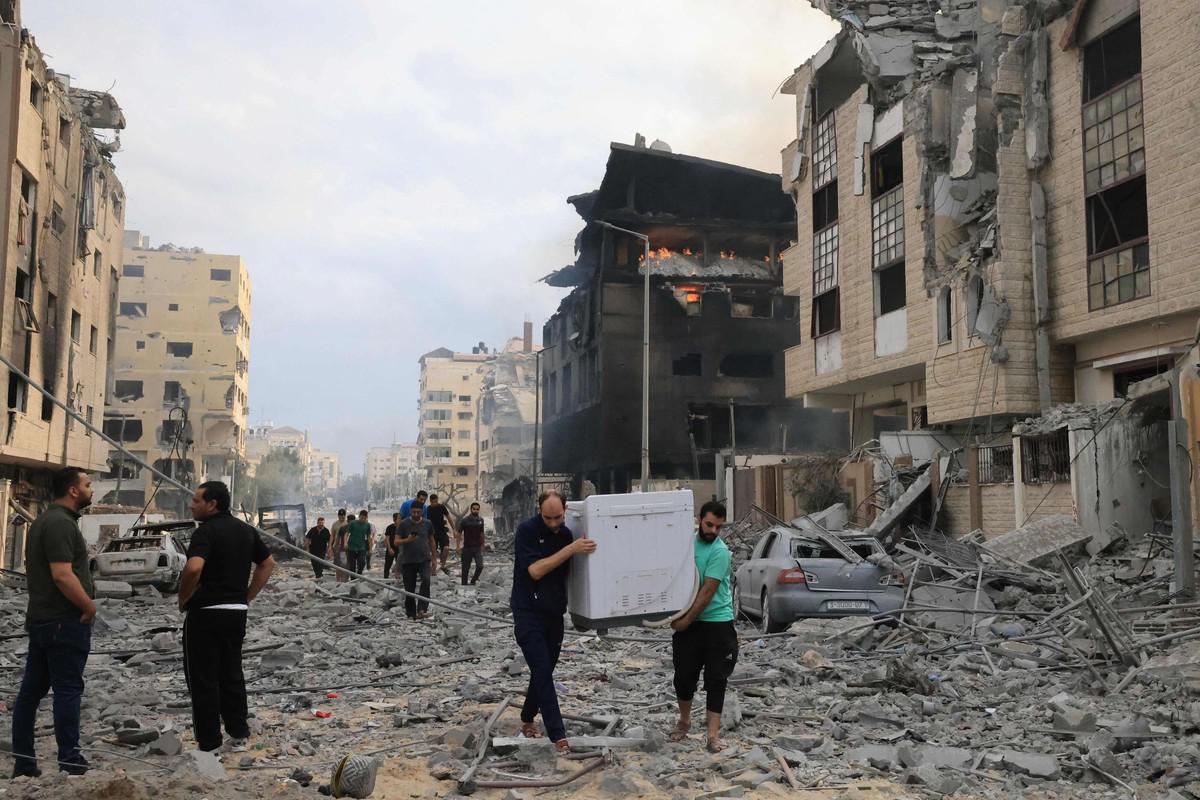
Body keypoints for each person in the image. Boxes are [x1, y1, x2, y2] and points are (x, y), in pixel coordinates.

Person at [178, 481, 275, 753]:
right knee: (231, 672)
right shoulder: (245, 530)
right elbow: (267, 563)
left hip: (206, 614)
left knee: (203, 678)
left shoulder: (205, 532)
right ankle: (238, 734)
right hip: (236, 614)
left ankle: (209, 743)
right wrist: (247, 596)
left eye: (196, 500)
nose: (191, 505)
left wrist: (183, 598)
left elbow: (193, 568)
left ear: (212, 504)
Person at [12, 467, 96, 778]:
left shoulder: (46, 521)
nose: (91, 490)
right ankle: (70, 761)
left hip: (43, 621)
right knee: (67, 689)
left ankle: (24, 763)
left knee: (30, 693)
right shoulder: (60, 523)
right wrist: (88, 606)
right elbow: (62, 574)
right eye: (87, 485)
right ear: (73, 490)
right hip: (63, 622)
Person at [511, 491, 596, 752]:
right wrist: (570, 549)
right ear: (539, 511)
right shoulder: (526, 531)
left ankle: (527, 717)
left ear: (565, 510)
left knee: (544, 670)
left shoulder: (566, 534)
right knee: (542, 671)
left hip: (554, 613)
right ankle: (558, 736)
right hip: (528, 612)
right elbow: (535, 570)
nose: (553, 523)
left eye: (558, 517)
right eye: (548, 518)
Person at [668, 501, 738, 753]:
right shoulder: (685, 544)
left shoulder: (720, 552)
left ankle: (712, 735)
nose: (713, 531)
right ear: (699, 519)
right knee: (684, 676)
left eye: (719, 527)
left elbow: (708, 591)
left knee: (716, 679)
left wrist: (685, 621)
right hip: (689, 621)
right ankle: (684, 721)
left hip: (717, 622)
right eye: (709, 525)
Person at [395, 501, 435, 619]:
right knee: (409, 588)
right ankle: (411, 614)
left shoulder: (428, 523)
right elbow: (396, 541)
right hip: (408, 560)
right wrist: (407, 540)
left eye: (418, 512)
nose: (416, 514)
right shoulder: (403, 524)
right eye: (413, 512)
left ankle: (422, 609)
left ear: (422, 511)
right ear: (410, 511)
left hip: (424, 559)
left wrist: (434, 558)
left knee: (426, 581)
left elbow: (432, 541)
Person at [456, 502, 486, 586]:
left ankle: (473, 581)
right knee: (465, 569)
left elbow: (482, 533)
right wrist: (458, 546)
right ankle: (464, 586)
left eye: (477, 509)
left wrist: (483, 544)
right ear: (471, 509)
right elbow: (459, 533)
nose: (476, 511)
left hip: (477, 548)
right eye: (474, 509)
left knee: (480, 566)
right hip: (467, 548)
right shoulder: (465, 520)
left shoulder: (480, 520)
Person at [426, 493, 455, 575]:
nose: (434, 504)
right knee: (433, 552)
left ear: (437, 500)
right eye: (433, 502)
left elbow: (449, 518)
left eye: (435, 502)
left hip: (442, 532)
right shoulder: (428, 509)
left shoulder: (442, 507)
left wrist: (454, 529)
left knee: (446, 548)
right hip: (432, 534)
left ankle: (443, 565)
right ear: (430, 501)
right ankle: (433, 571)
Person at [342, 510, 371, 575]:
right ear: (359, 516)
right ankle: (353, 578)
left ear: (366, 517)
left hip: (362, 547)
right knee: (352, 565)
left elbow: (369, 537)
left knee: (362, 562)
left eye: (364, 518)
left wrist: (370, 548)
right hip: (351, 547)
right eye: (362, 518)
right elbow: (347, 534)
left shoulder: (367, 525)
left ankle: (359, 573)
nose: (363, 520)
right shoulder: (353, 523)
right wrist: (345, 543)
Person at [330, 509, 349, 583]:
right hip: (337, 546)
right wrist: (330, 546)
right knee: (338, 564)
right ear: (338, 516)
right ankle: (338, 580)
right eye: (340, 516)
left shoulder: (348, 523)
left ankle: (345, 580)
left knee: (346, 564)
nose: (342, 517)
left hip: (346, 547)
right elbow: (332, 535)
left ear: (345, 516)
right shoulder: (335, 524)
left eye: (343, 516)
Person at [382, 512, 401, 580]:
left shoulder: (402, 527)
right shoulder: (390, 527)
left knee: (399, 565)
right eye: (398, 519)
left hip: (399, 549)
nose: (400, 520)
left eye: (400, 519)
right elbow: (387, 539)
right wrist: (389, 548)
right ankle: (386, 579)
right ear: (394, 519)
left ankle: (398, 579)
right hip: (391, 548)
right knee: (387, 565)